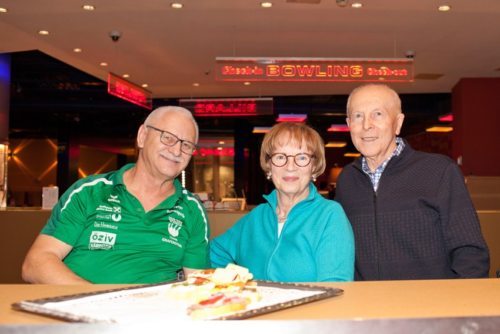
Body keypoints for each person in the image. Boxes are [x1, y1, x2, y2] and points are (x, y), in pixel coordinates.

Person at [22, 106, 210, 284]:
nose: (176, 151)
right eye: (168, 138)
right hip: (79, 310)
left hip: (151, 313)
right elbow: (36, 264)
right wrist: (97, 301)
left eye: (186, 145)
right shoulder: (89, 192)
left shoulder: (192, 209)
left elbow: (196, 282)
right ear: (142, 136)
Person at [335, 83, 490, 280]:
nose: (366, 125)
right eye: (358, 116)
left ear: (398, 123)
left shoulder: (439, 171)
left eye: (378, 114)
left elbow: (470, 252)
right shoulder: (347, 180)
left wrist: (459, 306)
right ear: (349, 124)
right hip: (367, 306)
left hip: (429, 306)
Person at [210, 122, 355, 282]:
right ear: (269, 166)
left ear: (314, 167)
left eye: (301, 157)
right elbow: (214, 253)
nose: (290, 166)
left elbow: (336, 288)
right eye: (280, 157)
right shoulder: (256, 216)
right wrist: (235, 286)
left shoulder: (330, 215)